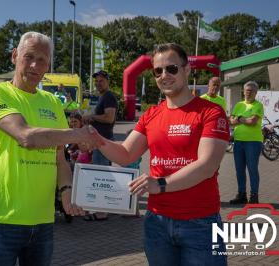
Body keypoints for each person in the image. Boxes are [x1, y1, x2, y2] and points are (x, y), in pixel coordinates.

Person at [96, 43, 229, 265]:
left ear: (186, 70)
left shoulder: (211, 112)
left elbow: (207, 166)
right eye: (158, 71)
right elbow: (125, 153)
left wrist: (160, 184)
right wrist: (96, 140)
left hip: (200, 223)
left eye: (171, 69)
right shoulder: (152, 114)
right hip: (156, 222)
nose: (164, 75)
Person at [0, 31, 102, 266]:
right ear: (15, 56)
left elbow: (60, 159)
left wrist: (66, 192)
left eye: (42, 59)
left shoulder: (53, 102)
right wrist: (77, 134)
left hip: (43, 220)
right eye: (29, 56)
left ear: (49, 65)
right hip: (1, 219)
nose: (35, 65)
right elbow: (25, 136)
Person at [82, 70, 118, 221]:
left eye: (101, 81)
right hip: (100, 142)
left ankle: (102, 212)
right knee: (101, 174)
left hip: (103, 142)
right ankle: (102, 208)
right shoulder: (102, 97)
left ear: (107, 81)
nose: (98, 83)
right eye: (96, 81)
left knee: (101, 176)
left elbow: (109, 118)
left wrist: (91, 117)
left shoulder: (109, 97)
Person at [229, 81, 264, 204]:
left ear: (256, 93)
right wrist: (243, 119)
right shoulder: (239, 105)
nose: (248, 93)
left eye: (251, 91)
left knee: (252, 168)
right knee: (239, 170)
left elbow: (252, 122)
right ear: (243, 91)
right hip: (239, 141)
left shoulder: (258, 105)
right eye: (246, 90)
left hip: (253, 142)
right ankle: (241, 194)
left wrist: (238, 118)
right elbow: (231, 122)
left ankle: (254, 196)